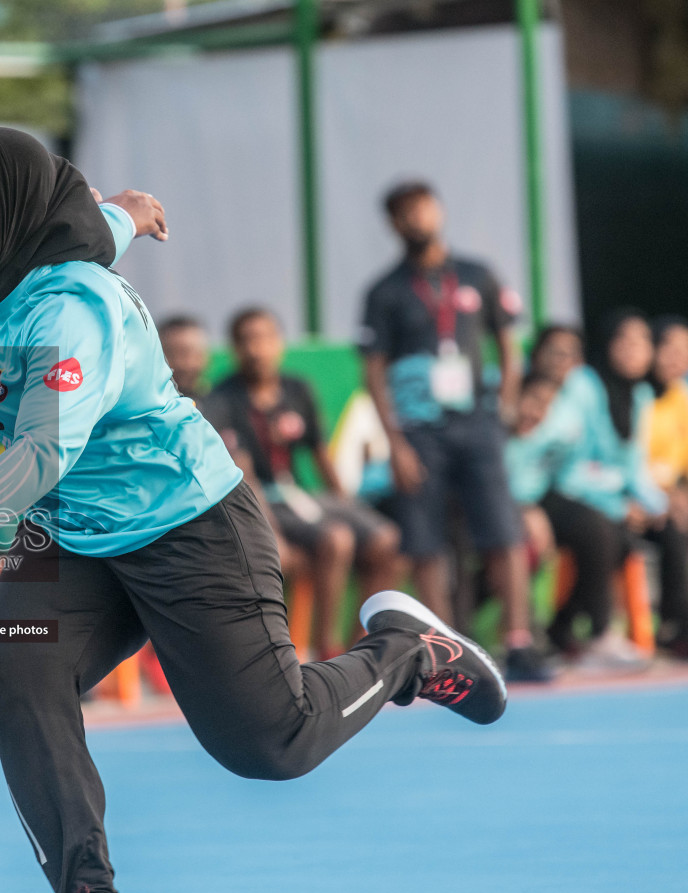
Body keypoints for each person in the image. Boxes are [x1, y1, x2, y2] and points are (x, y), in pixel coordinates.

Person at [0, 128, 509, 893]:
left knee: (272, 744)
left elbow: (44, 448)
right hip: (79, 537)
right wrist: (132, 212)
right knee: (17, 675)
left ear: (10, 208)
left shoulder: (68, 308)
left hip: (187, 527)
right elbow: (95, 224)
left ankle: (410, 654)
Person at [358, 180, 552, 682]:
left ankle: (519, 643)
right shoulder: (385, 290)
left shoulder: (477, 275)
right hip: (419, 430)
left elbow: (508, 343)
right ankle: (449, 652)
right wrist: (394, 441)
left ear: (438, 211)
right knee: (424, 539)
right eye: (404, 214)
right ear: (393, 225)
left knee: (503, 529)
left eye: (422, 209)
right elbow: (373, 371)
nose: (415, 220)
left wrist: (503, 407)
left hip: (477, 422)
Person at [204, 307, 401, 658]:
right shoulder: (221, 400)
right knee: (337, 539)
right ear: (234, 348)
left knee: (385, 539)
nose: (256, 348)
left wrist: (347, 504)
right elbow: (242, 478)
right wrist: (272, 536)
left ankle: (363, 647)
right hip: (262, 504)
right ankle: (328, 652)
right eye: (246, 340)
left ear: (279, 343)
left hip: (302, 496)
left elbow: (320, 454)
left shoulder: (297, 389)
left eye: (264, 338)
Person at [553, 310, 688, 658]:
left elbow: (633, 467)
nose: (633, 349)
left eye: (641, 342)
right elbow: (572, 466)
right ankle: (598, 635)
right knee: (607, 534)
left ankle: (676, 629)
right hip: (563, 491)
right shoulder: (584, 384)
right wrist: (619, 504)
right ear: (608, 345)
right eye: (625, 341)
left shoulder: (639, 395)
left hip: (608, 497)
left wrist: (658, 504)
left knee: (672, 525)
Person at [507, 325, 642, 664]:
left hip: (553, 492)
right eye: (555, 350)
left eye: (571, 353)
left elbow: (591, 461)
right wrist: (522, 508)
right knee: (588, 532)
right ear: (536, 354)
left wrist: (619, 500)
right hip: (507, 497)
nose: (563, 360)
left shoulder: (581, 394)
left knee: (611, 533)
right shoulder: (509, 391)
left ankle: (576, 632)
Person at [648, 315, 688, 532]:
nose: (678, 358)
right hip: (642, 497)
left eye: (685, 351)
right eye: (670, 348)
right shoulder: (638, 396)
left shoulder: (682, 396)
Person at [156, 314, 210, 401]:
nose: (181, 364)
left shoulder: (220, 403)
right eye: (172, 354)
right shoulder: (141, 407)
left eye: (189, 354)